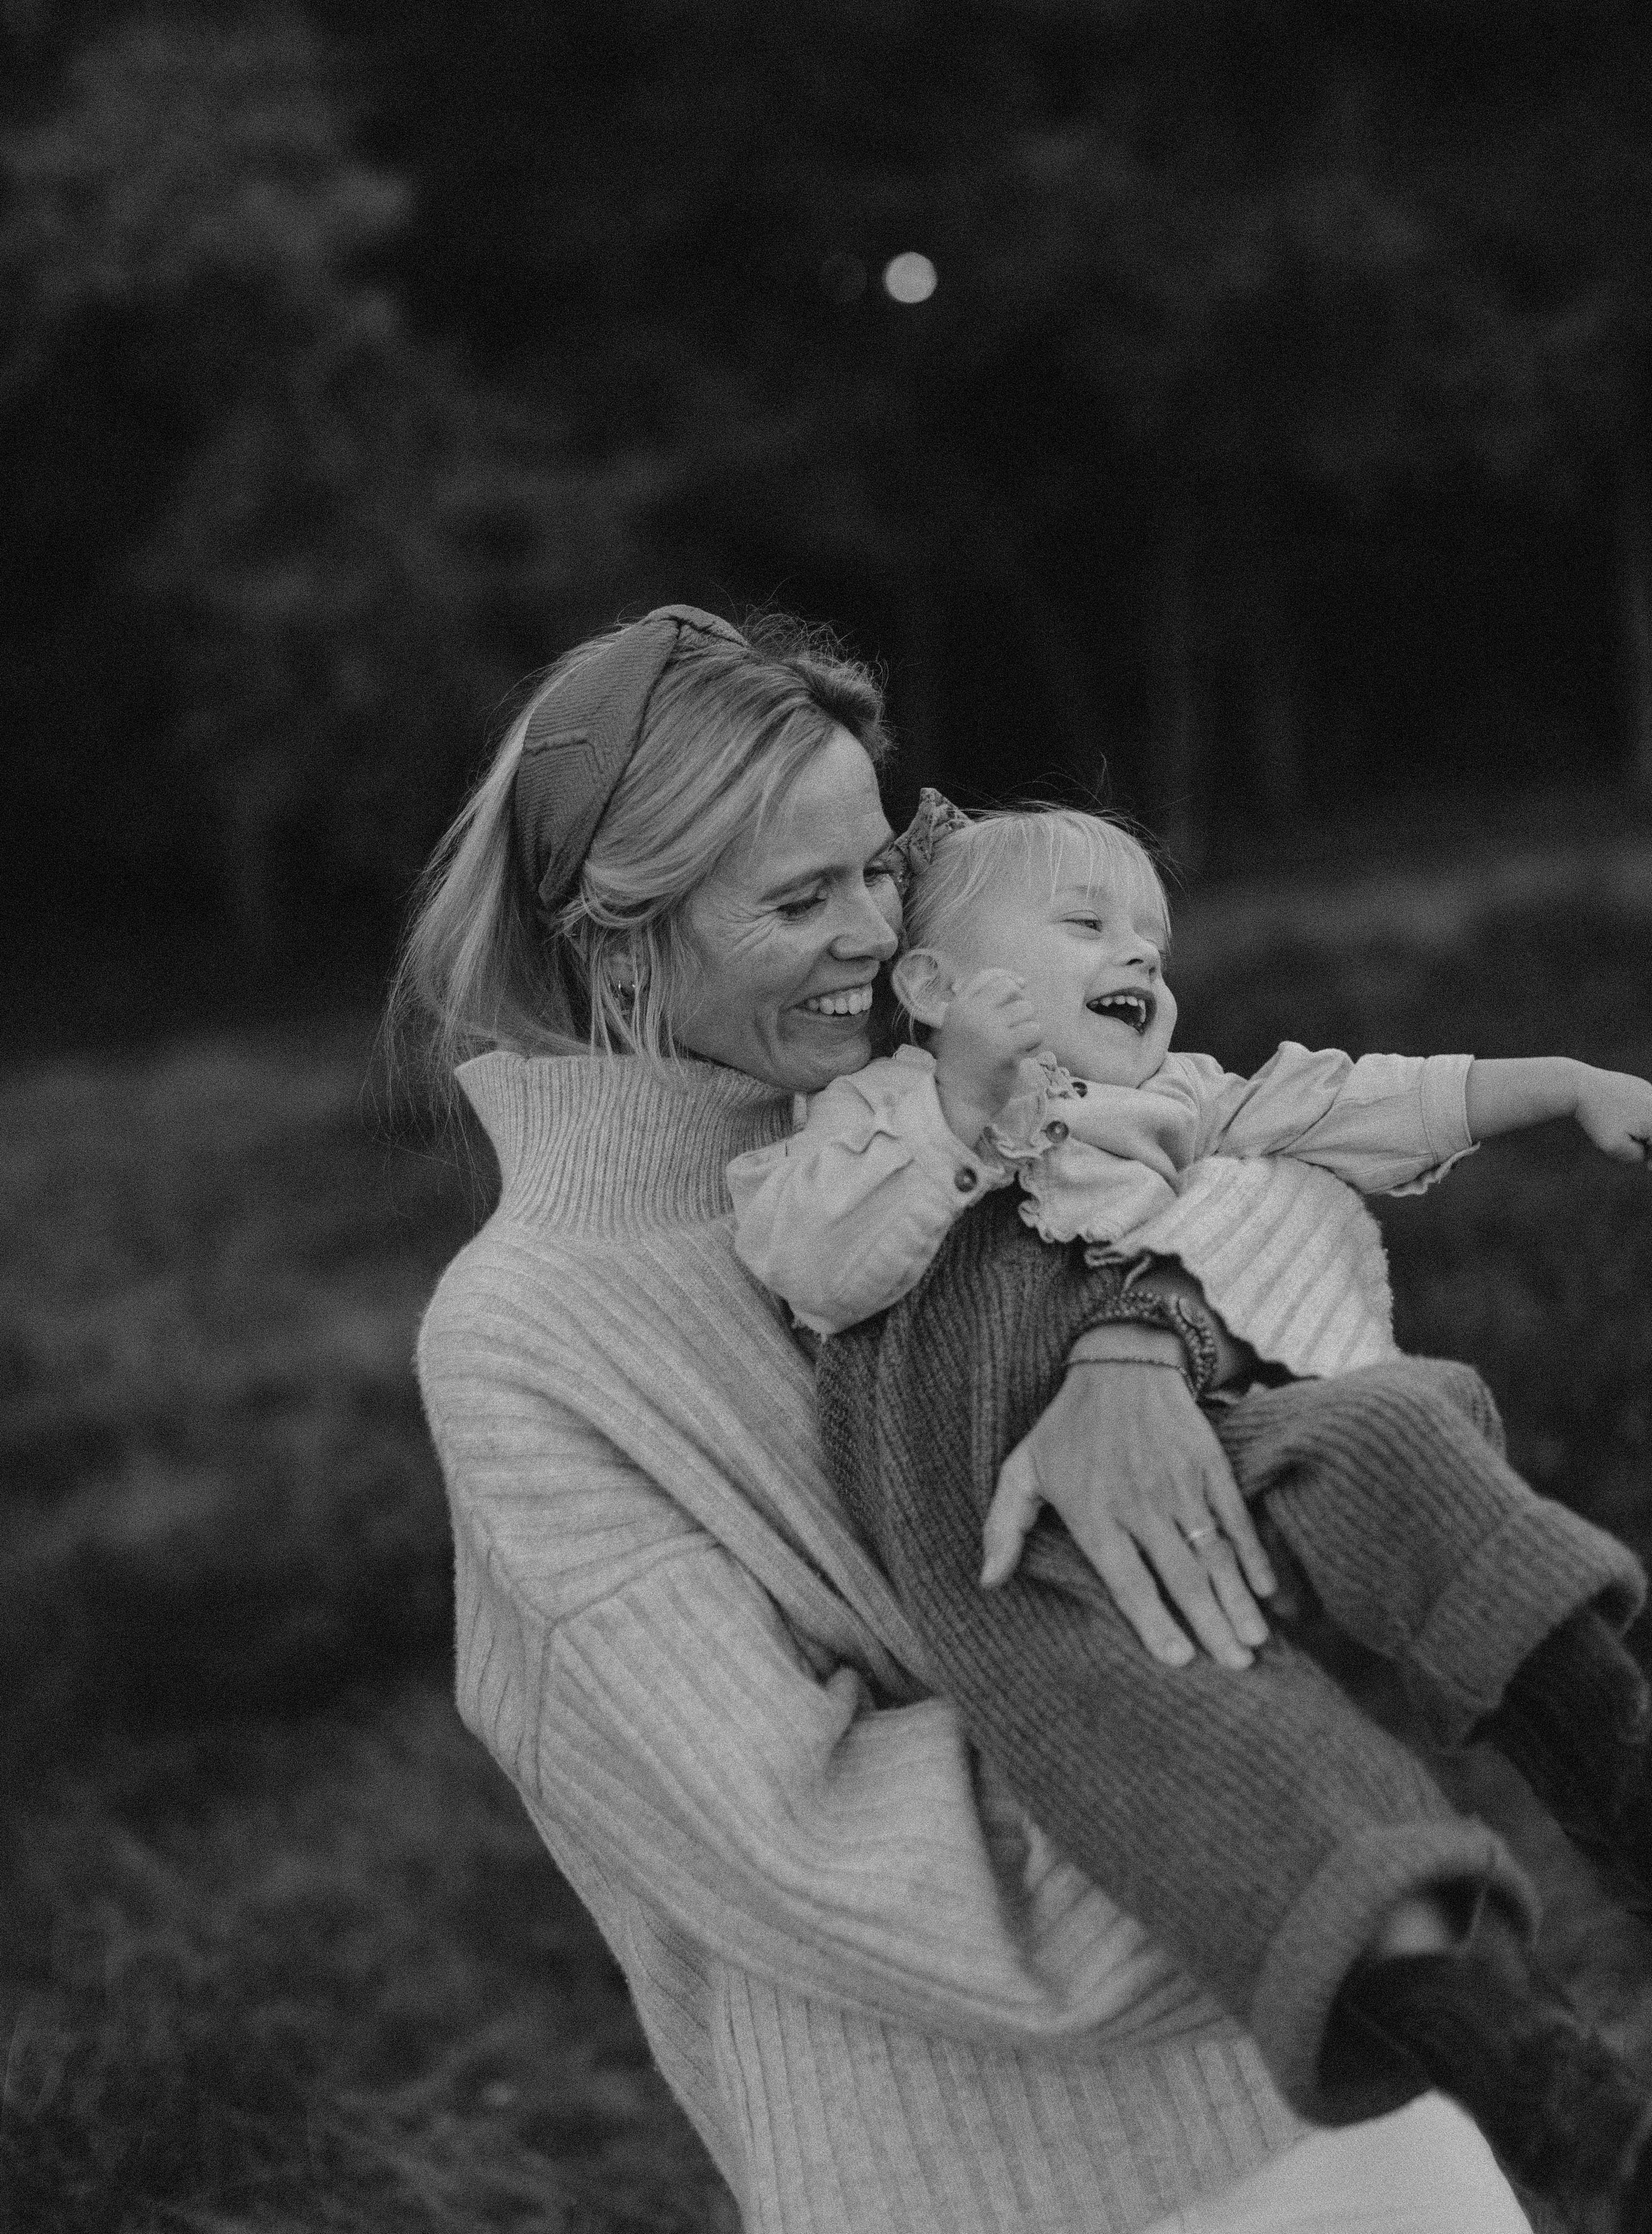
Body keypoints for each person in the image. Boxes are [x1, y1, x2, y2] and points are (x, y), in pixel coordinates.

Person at [400, 603, 1538, 2234]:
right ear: (617, 937)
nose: (875, 929)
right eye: (801, 898)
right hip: (1013, 2172)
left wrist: (1137, 1353)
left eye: (878, 865)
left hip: (1340, 2081)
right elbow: (798, 1831)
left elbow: (1251, 1214)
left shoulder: (957, 1085)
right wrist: (1287, 1795)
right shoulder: (524, 1340)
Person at [729, 789, 1652, 2224]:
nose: (1139, 956)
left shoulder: (1177, 1095)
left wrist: (1561, 1082)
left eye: (1150, 936)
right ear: (927, 986)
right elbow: (814, 1260)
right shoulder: (866, 1114)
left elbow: (1361, 1098)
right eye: (1087, 923)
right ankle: (1559, 2102)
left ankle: (1619, 1774)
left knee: (1391, 1429)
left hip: (1214, 1437)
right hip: (999, 1536)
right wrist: (967, 1111)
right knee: (1261, 1772)